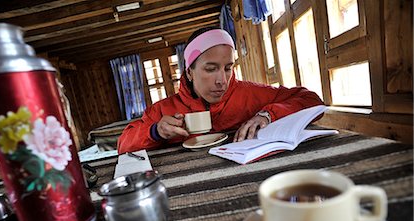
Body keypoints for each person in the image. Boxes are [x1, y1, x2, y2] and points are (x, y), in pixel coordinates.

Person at [117, 28, 324, 154]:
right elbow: (123, 145)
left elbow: (313, 101)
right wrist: (156, 131)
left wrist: (268, 114)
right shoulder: (164, 110)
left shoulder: (249, 94)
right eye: (210, 69)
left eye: (228, 68)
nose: (222, 81)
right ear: (189, 72)